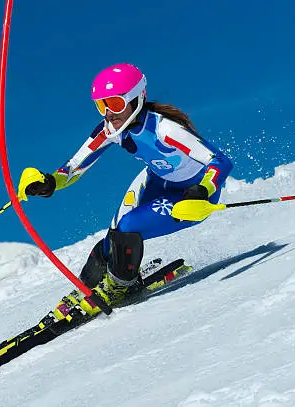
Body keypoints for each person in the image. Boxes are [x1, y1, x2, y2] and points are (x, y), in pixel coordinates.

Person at [19, 63, 233, 315]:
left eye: (116, 104)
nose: (109, 113)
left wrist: (202, 190)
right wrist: (50, 182)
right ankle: (86, 287)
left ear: (136, 99)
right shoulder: (109, 131)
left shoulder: (164, 129)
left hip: (191, 198)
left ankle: (118, 286)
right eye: (102, 105)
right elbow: (74, 167)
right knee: (113, 238)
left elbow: (220, 160)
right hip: (156, 183)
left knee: (129, 226)